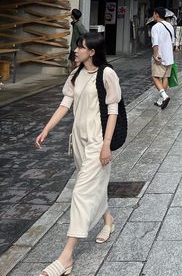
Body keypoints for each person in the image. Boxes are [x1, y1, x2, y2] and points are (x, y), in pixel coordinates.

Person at [35, 33, 122, 276]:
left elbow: (113, 111)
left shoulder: (107, 74)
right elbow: (65, 104)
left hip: (97, 142)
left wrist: (106, 145)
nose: (75, 50)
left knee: (81, 192)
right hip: (79, 142)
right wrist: (46, 129)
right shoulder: (76, 74)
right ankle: (108, 220)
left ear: (92, 51)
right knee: (92, 186)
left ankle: (66, 257)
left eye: (80, 47)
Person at [151, 7, 175, 108]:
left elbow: (155, 43)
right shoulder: (170, 26)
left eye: (153, 14)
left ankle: (164, 96)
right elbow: (173, 42)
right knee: (165, 77)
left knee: (155, 77)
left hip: (160, 56)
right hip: (169, 56)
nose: (153, 16)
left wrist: (155, 56)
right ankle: (160, 101)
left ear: (157, 14)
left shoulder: (155, 27)